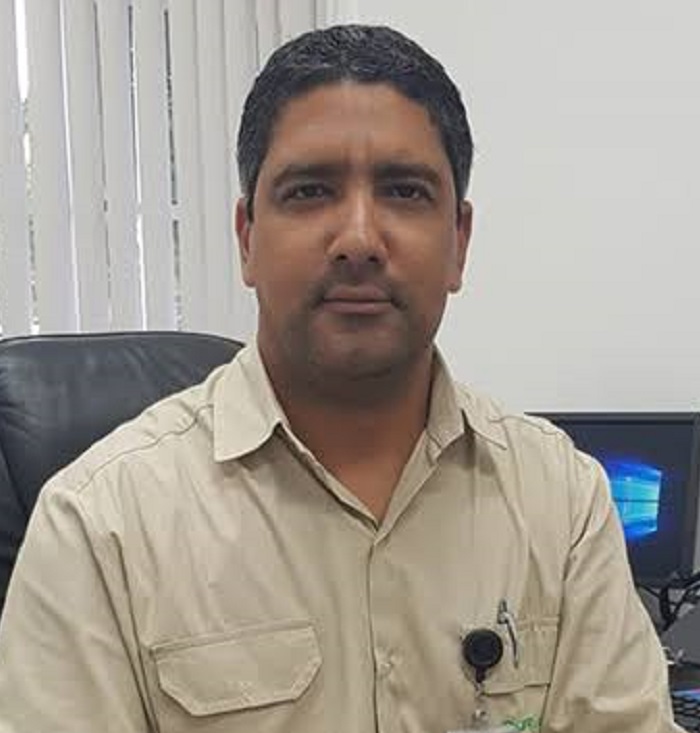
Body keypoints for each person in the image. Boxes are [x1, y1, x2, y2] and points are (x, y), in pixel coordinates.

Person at [0, 24, 682, 733]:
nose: (358, 238)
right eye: (309, 191)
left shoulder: (561, 501)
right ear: (247, 237)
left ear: (459, 242)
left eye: (405, 191)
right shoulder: (99, 528)